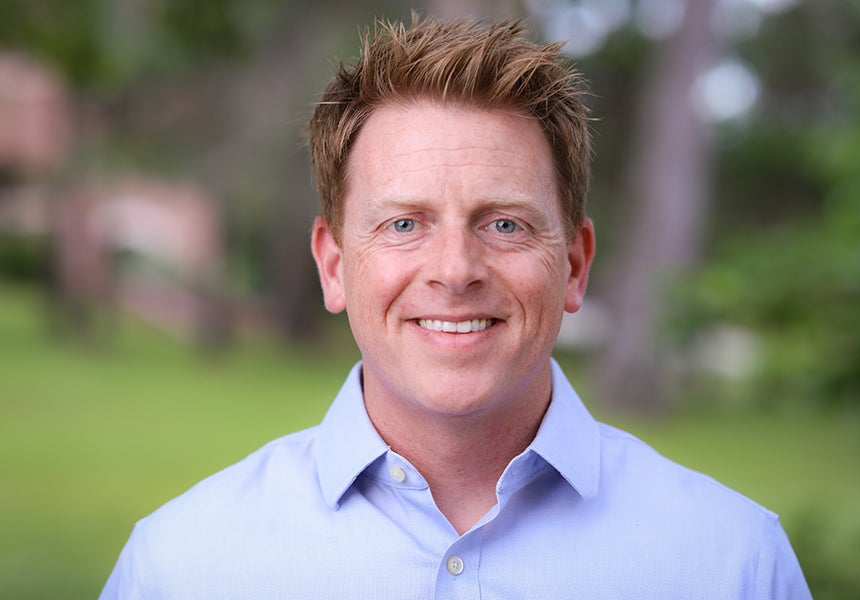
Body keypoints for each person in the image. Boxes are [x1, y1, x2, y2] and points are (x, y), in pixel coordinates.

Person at [101, 16, 811, 599]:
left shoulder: (733, 564)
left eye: (504, 223)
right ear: (334, 264)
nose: (455, 271)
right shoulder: (181, 566)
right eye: (404, 223)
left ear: (574, 264)